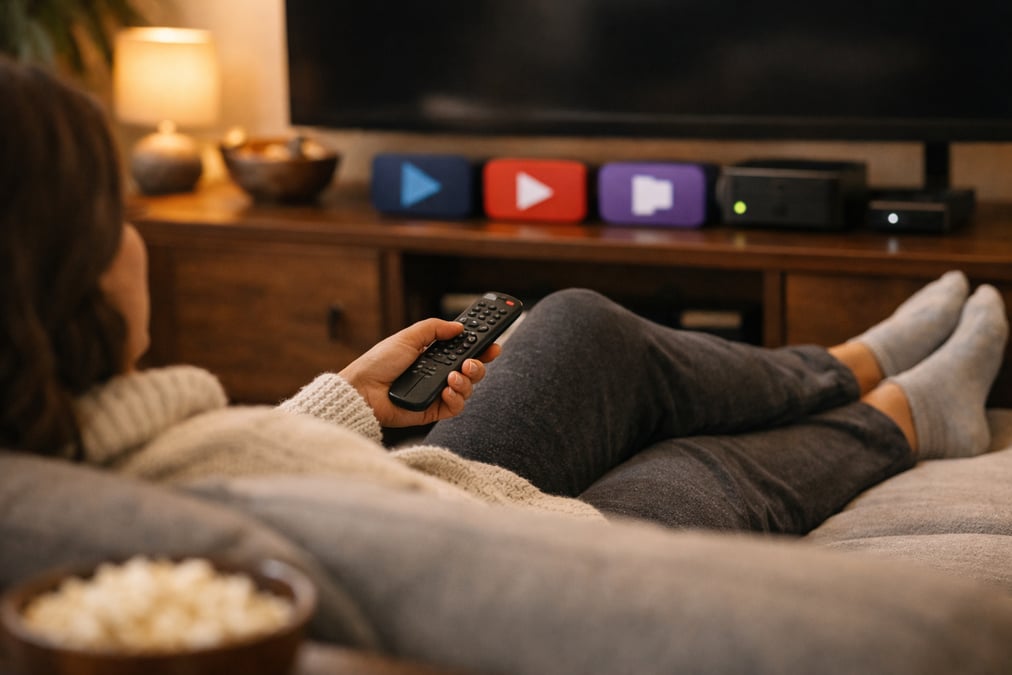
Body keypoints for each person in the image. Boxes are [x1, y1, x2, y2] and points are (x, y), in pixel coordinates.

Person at [1, 56, 1009, 538]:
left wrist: (347, 394)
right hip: (509, 530)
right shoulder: (162, 490)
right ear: (70, 272)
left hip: (433, 486)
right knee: (677, 468)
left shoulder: (96, 447)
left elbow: (260, 462)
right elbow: (481, 552)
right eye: (114, 218)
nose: (135, 237)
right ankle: (904, 417)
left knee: (572, 318)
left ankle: (845, 363)